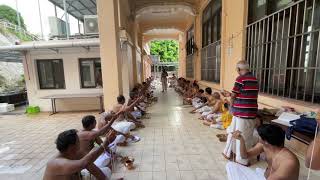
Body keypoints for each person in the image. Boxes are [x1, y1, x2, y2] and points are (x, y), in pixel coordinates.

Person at [226, 124, 300, 180]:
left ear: (266, 141)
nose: (258, 137)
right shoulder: (264, 145)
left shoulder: (289, 162)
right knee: (230, 165)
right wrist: (241, 140)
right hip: (265, 176)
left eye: (259, 136)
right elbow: (245, 156)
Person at [223, 60, 259, 166]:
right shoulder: (254, 79)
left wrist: (230, 107)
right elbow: (243, 94)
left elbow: (234, 95)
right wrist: (231, 95)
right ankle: (231, 153)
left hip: (242, 113)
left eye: (237, 69)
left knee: (241, 136)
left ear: (239, 69)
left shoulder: (240, 78)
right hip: (247, 112)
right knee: (239, 133)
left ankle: (237, 157)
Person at [43, 129, 116, 180]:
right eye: (78, 141)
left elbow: (93, 169)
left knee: (106, 171)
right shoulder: (56, 163)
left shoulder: (77, 153)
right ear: (72, 147)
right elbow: (84, 163)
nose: (80, 142)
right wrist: (105, 143)